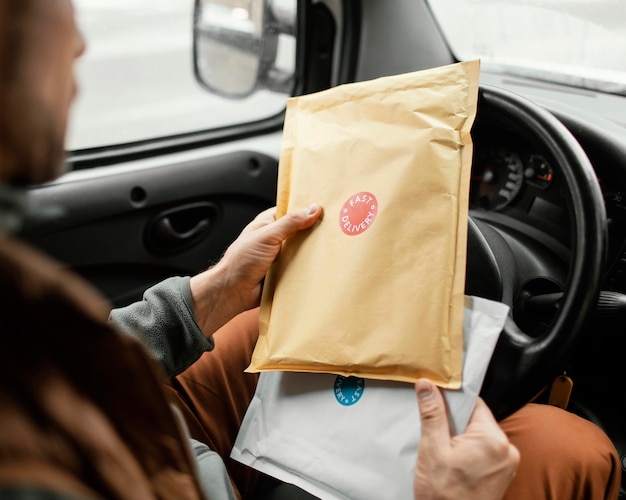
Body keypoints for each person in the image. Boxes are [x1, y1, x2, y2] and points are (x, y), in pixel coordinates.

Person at [0, 1, 621, 499]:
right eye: (49, 7)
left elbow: (53, 367)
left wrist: (208, 295)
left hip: (145, 437)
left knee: (250, 327)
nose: (78, 41)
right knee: (571, 446)